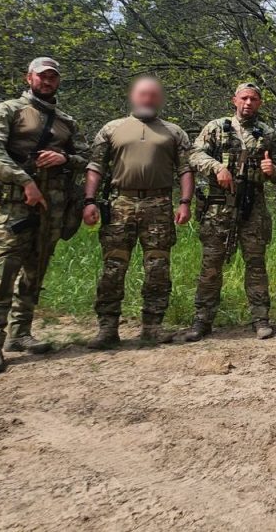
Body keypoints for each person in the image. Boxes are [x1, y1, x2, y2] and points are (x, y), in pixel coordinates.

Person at [0, 57, 90, 375]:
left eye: (53, 76)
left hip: (52, 207)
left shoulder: (65, 121)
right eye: (42, 76)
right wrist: (24, 180)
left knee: (34, 272)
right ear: (29, 78)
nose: (47, 80)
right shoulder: (9, 110)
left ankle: (20, 333)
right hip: (15, 205)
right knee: (4, 274)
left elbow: (88, 157)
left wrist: (63, 156)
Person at [82, 76, 194, 348]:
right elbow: (96, 166)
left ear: (159, 99)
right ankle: (107, 328)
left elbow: (185, 170)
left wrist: (185, 202)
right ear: (133, 96)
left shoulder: (174, 132)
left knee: (157, 268)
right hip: (121, 204)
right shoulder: (112, 129)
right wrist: (89, 200)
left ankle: (152, 327)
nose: (148, 99)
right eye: (143, 94)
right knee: (113, 267)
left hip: (159, 205)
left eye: (153, 95)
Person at [183, 83, 276, 342]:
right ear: (235, 100)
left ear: (260, 103)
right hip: (219, 206)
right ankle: (202, 321)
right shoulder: (216, 128)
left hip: (253, 206)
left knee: (256, 264)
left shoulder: (268, 134)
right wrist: (217, 167)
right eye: (244, 98)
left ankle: (261, 319)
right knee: (211, 265)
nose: (248, 103)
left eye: (254, 99)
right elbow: (194, 155)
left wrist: (272, 171)